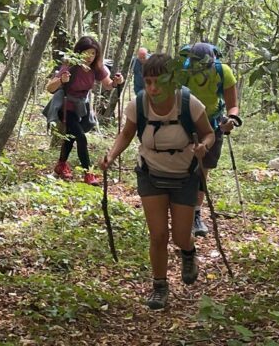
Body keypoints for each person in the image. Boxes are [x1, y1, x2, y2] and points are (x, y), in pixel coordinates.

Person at [99, 53, 215, 309]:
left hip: (185, 176)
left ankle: (188, 252)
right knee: (158, 235)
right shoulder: (138, 104)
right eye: (148, 81)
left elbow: (209, 133)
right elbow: (127, 133)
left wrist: (204, 147)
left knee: (180, 236)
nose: (152, 88)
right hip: (150, 173)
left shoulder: (189, 103)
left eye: (158, 82)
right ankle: (159, 286)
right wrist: (111, 155)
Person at [46, 36, 123, 185]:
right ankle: (88, 173)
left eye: (93, 53)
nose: (90, 57)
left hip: (82, 108)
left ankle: (60, 166)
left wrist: (116, 82)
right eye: (86, 53)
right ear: (79, 52)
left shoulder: (97, 68)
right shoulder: (71, 65)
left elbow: (108, 84)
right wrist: (62, 80)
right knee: (81, 137)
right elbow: (50, 87)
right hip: (66, 107)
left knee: (72, 136)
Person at [181, 42, 240, 237]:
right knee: (182, 167)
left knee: (202, 169)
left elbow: (232, 105)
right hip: (185, 122)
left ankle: (195, 214)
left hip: (213, 124)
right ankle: (180, 209)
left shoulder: (222, 71)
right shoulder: (183, 70)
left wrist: (231, 119)